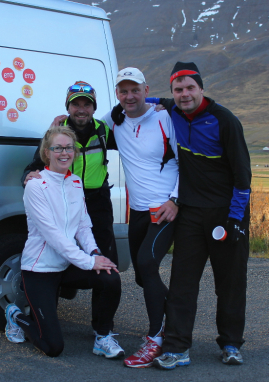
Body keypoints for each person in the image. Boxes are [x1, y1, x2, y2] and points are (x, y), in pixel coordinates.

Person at [146, 62, 252, 369]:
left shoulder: (224, 120)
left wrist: (235, 219)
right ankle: (177, 348)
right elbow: (141, 101)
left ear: (201, 88)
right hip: (190, 211)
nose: (184, 94)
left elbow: (243, 177)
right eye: (178, 90)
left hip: (226, 213)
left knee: (230, 282)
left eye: (190, 88)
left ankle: (231, 343)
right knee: (182, 282)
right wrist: (119, 109)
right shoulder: (173, 112)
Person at [21, 82, 123, 356]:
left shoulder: (103, 131)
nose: (81, 109)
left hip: (93, 201)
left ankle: (103, 332)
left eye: (86, 104)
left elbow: (136, 141)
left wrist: (93, 255)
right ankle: (45, 315)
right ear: (68, 106)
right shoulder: (55, 132)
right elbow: (35, 165)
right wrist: (27, 177)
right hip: (58, 195)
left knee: (106, 267)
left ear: (93, 108)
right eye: (76, 104)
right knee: (58, 253)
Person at [104, 68, 179, 368]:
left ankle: (156, 338)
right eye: (123, 90)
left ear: (146, 89)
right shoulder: (115, 121)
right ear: (117, 94)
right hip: (137, 212)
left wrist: (175, 200)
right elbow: (82, 124)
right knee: (141, 275)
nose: (129, 95)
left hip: (164, 210)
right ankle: (178, 316)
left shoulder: (165, 118)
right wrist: (60, 122)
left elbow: (185, 161)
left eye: (134, 89)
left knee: (147, 264)